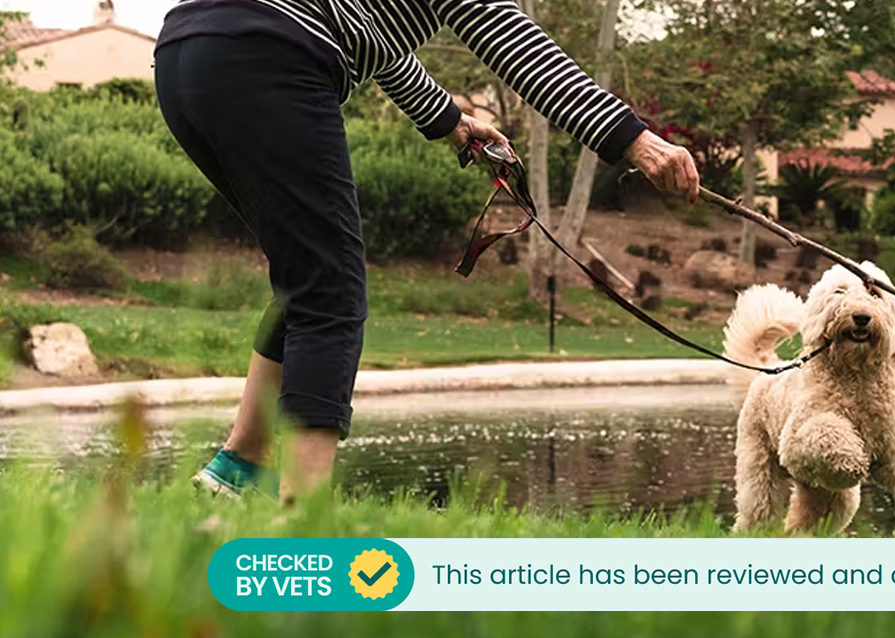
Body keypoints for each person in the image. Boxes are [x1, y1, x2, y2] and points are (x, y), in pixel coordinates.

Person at [154, 0, 700, 504]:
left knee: (307, 274)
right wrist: (635, 139)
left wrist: (450, 122)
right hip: (268, 54)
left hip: (189, 53)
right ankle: (302, 519)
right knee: (331, 293)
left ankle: (239, 467)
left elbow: (369, 34)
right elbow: (513, 42)